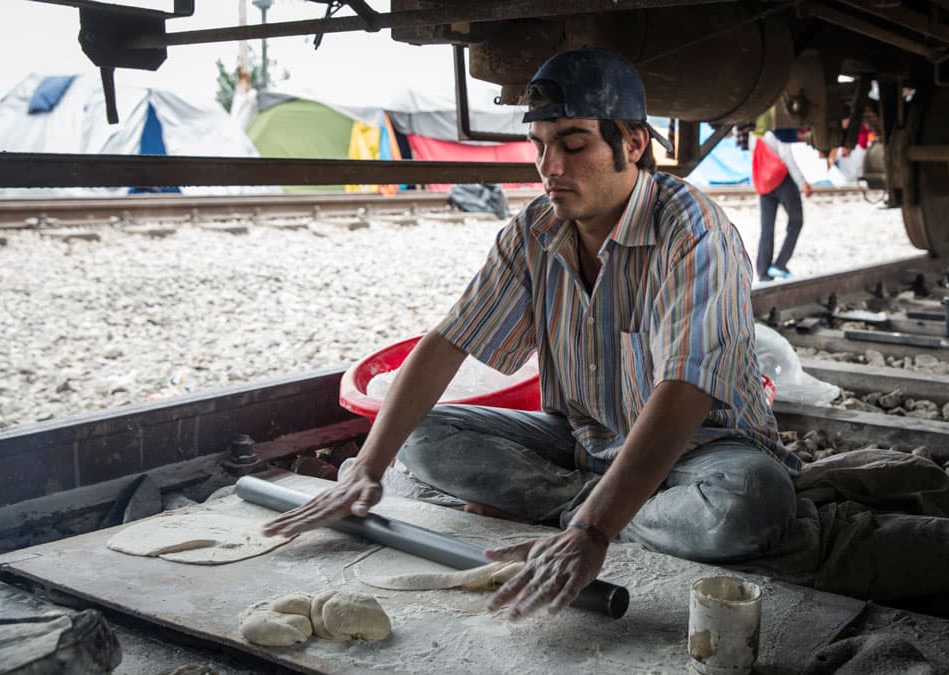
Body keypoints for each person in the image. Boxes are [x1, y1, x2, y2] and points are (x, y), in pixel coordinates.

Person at [264, 47, 799, 622]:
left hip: (707, 452)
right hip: (580, 443)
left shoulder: (692, 230)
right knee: (420, 438)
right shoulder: (534, 231)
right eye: (540, 146)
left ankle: (585, 512)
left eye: (573, 145)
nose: (550, 166)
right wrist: (367, 470)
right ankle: (597, 504)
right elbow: (447, 342)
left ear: (635, 144)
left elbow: (686, 390)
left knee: (752, 505)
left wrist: (593, 532)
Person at [754, 128, 812, 283]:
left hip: (764, 183)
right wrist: (802, 182)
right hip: (782, 181)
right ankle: (780, 264)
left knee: (767, 229)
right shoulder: (780, 131)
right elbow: (786, 155)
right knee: (796, 221)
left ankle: (763, 272)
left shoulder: (760, 133)